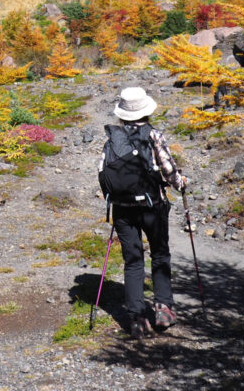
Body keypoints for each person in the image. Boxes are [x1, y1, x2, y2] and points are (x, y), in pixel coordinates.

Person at [99, 87, 188, 337]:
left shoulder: (111, 140)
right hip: (152, 206)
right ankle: (163, 309)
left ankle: (137, 318)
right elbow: (168, 168)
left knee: (133, 261)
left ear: (122, 114)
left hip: (122, 209)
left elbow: (102, 173)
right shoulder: (153, 135)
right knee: (160, 254)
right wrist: (180, 183)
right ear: (146, 111)